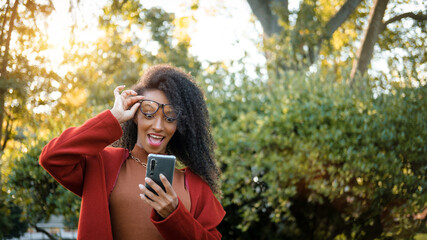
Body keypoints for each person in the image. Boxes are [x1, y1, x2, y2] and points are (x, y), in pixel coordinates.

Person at [39, 64, 225, 240]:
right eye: (149, 113)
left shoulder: (194, 186)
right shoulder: (104, 165)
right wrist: (113, 117)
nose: (158, 126)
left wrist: (175, 214)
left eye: (170, 117)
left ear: (180, 124)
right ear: (135, 115)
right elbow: (52, 157)